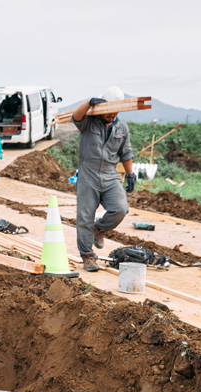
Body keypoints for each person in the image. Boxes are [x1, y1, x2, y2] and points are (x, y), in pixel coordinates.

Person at [72, 86, 136, 272]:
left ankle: (99, 229)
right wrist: (89, 103)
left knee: (121, 208)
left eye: (115, 110)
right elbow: (76, 116)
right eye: (108, 110)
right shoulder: (88, 122)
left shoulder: (122, 127)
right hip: (88, 173)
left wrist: (130, 174)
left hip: (110, 174)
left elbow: (126, 152)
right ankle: (87, 256)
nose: (112, 114)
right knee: (84, 217)